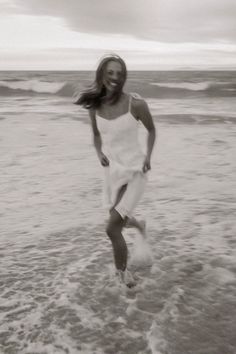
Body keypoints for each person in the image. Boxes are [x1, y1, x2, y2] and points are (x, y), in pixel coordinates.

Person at [75, 54, 156, 287]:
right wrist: (99, 153)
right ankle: (139, 225)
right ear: (101, 74)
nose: (115, 77)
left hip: (135, 171)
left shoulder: (136, 104)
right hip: (113, 172)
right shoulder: (94, 106)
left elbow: (152, 131)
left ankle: (123, 276)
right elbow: (97, 135)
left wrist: (148, 156)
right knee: (117, 219)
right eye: (110, 72)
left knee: (112, 228)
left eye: (119, 73)